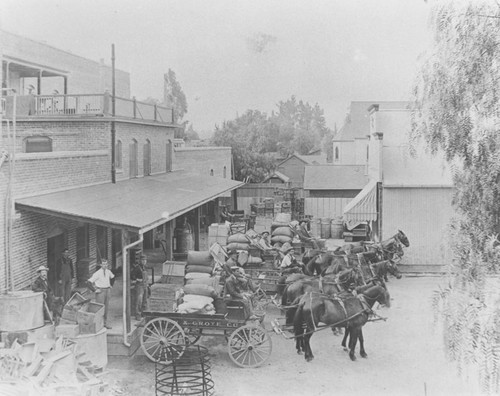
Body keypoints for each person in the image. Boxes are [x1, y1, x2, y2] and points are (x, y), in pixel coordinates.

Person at [88, 259, 115, 329]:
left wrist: (111, 285)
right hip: (100, 291)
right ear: (101, 265)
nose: (105, 265)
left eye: (106, 264)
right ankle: (99, 324)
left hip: (107, 290)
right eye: (103, 264)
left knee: (106, 308)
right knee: (100, 308)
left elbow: (113, 277)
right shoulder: (97, 273)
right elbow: (89, 282)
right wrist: (94, 290)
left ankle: (105, 323)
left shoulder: (108, 272)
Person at [130, 254, 149, 321]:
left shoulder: (145, 267)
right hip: (139, 286)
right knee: (139, 300)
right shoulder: (137, 268)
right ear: (140, 260)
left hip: (145, 285)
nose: (144, 261)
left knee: (145, 300)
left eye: (145, 260)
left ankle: (144, 314)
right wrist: (137, 279)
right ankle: (138, 315)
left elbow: (146, 277)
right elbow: (132, 275)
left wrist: (147, 284)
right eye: (143, 260)